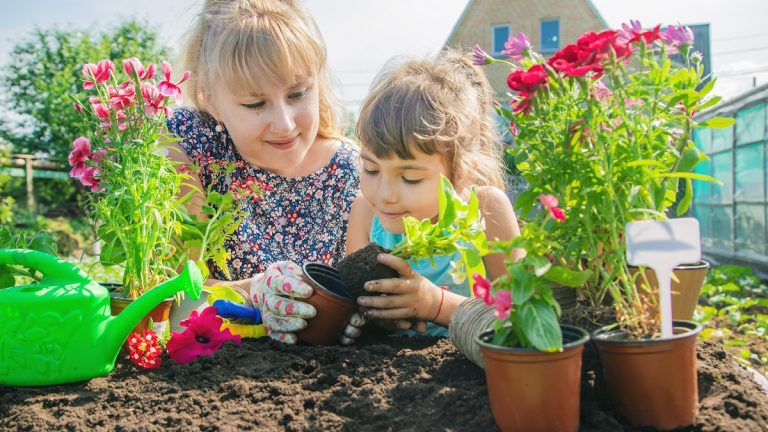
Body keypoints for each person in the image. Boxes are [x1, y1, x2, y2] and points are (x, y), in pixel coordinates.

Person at [165, 0, 359, 344]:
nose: (284, 124)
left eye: (298, 93)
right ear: (209, 99)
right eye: (255, 104)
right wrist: (252, 291)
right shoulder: (189, 147)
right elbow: (178, 299)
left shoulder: (355, 171)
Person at [346, 50, 524, 337]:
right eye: (371, 170)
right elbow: (356, 304)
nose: (385, 194)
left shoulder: (486, 210)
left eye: (410, 178)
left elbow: (523, 314)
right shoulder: (365, 214)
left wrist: (436, 305)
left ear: (462, 173)